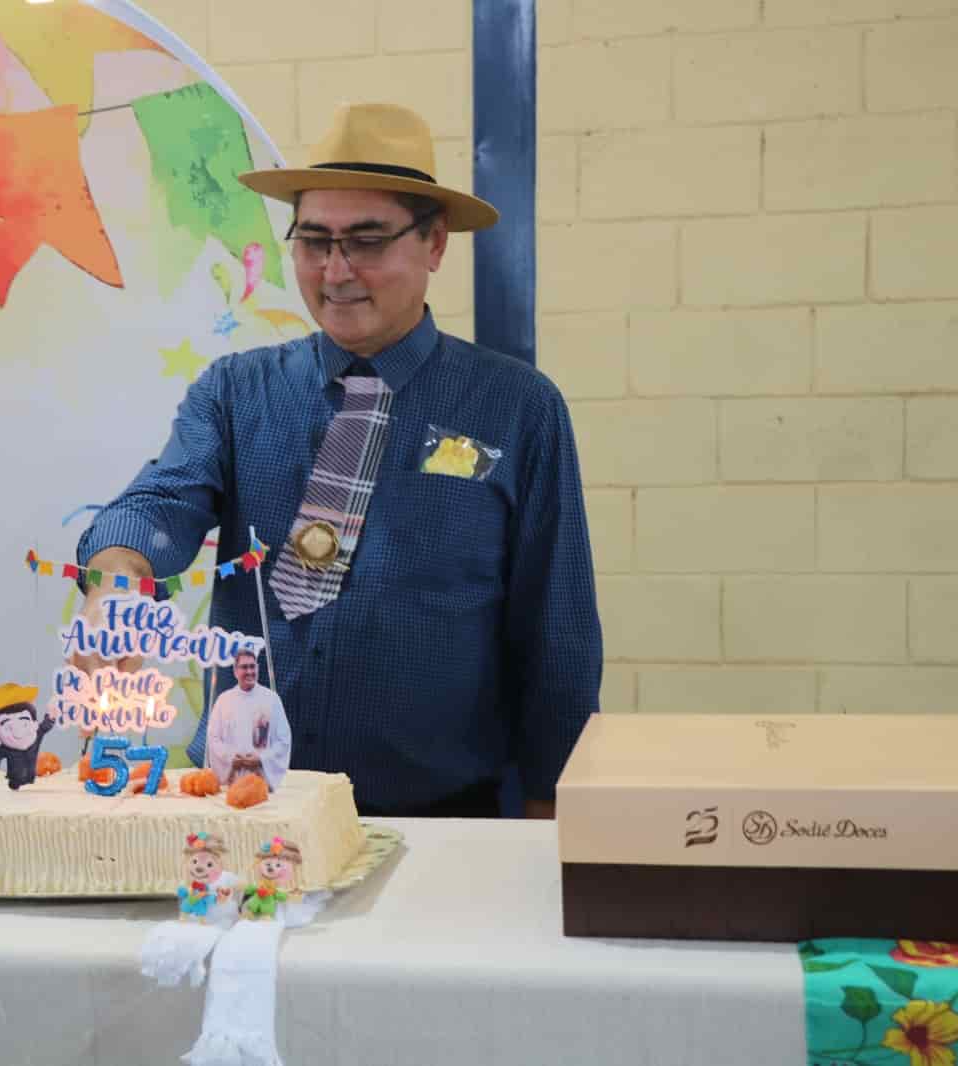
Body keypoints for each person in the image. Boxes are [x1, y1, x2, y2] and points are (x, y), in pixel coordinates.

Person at [76, 102, 601, 819]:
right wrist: (118, 577)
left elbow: (556, 630)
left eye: (367, 241)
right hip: (239, 810)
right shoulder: (236, 393)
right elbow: (162, 504)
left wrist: (554, 804)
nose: (336, 270)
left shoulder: (516, 408)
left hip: (437, 820)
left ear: (435, 244)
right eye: (314, 240)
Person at [206, 648, 292, 790]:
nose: (249, 671)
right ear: (235, 671)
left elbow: (283, 740)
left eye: (252, 666)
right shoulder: (224, 700)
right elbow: (214, 738)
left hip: (262, 781)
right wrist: (231, 758)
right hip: (232, 781)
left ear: (257, 668)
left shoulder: (271, 699)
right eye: (244, 667)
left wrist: (261, 759)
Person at [0, 683, 57, 790]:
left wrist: (51, 714)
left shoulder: (35, 737)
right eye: (6, 724)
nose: (17, 730)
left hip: (32, 783)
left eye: (24, 721)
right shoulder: (5, 748)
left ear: (34, 723)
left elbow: (46, 725)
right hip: (14, 783)